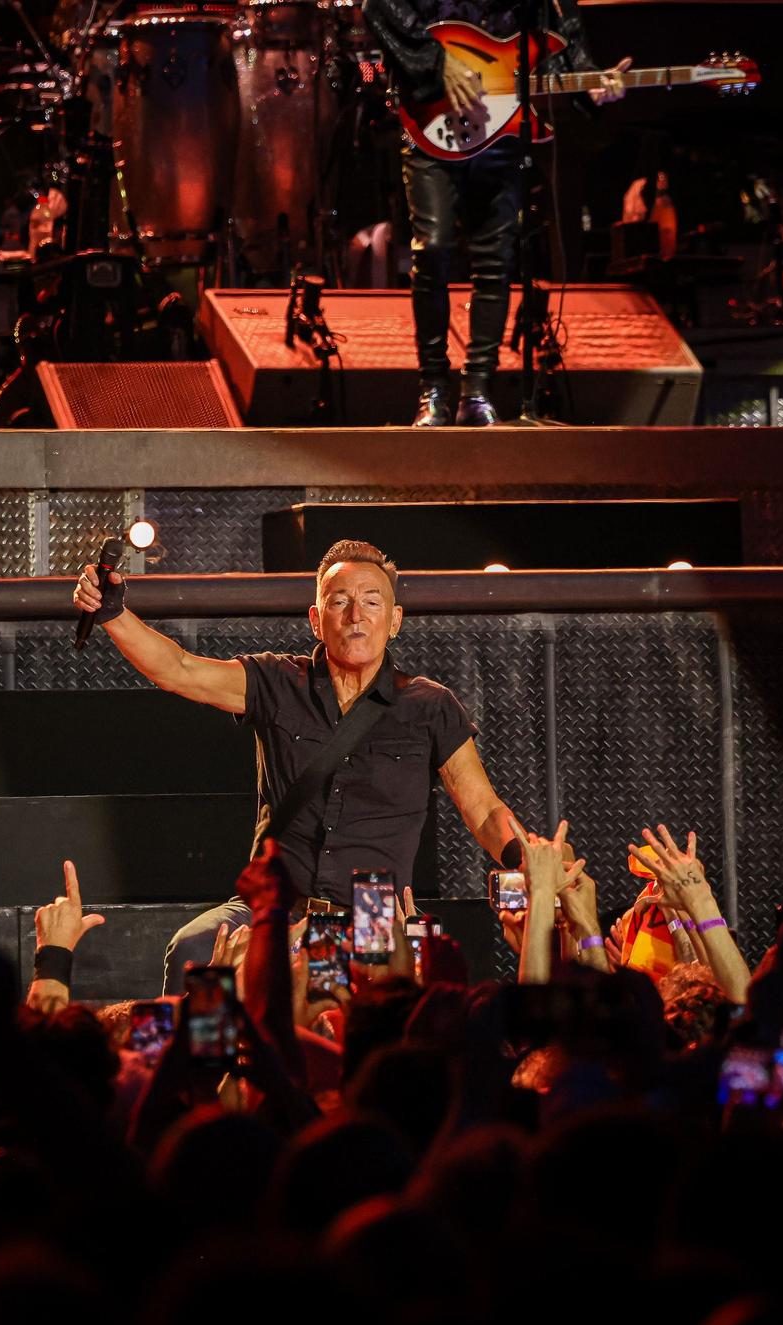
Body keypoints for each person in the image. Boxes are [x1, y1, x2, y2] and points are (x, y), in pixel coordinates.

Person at [71, 538, 527, 990]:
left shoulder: (430, 706)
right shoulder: (276, 682)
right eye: (339, 602)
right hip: (274, 906)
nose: (356, 615)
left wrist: (530, 863)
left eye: (372, 602)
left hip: (373, 912)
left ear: (394, 621)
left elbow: (483, 810)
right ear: (315, 619)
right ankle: (207, 1062)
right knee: (194, 949)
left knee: (343, 1010)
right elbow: (179, 669)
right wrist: (113, 614)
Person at [365, 0, 631, 427]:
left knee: (496, 258)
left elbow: (564, 34)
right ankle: (433, 389)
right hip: (432, 119)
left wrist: (591, 83)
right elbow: (379, 5)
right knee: (432, 249)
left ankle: (478, 391)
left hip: (502, 123)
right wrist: (438, 61)